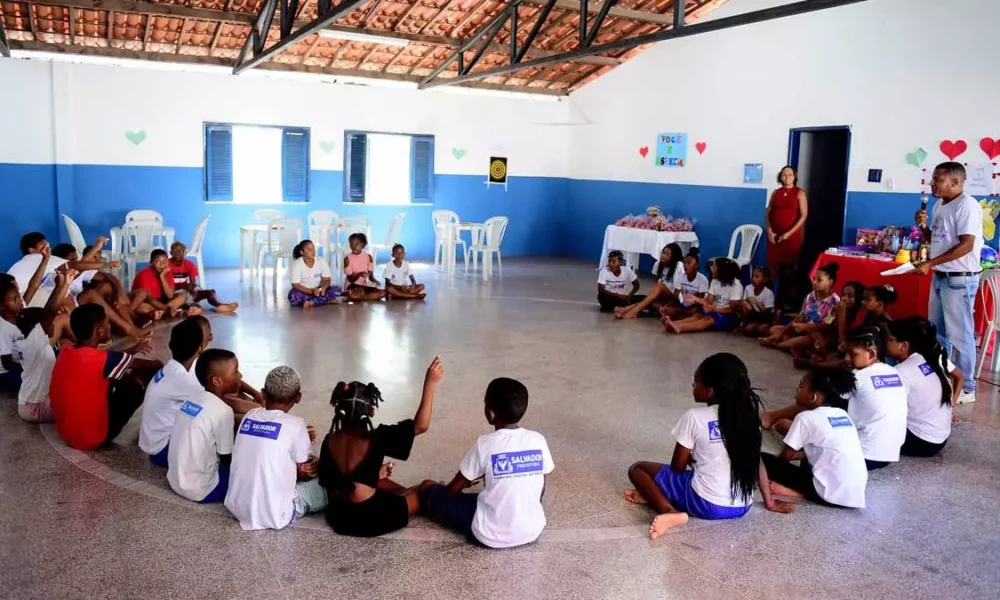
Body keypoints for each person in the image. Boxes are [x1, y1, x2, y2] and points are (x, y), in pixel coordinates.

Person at [625, 353, 794, 539]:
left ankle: (668, 510)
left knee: (638, 468)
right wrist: (769, 501)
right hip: (742, 506)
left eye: (696, 381)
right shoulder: (750, 419)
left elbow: (677, 467)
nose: (693, 386)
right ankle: (653, 495)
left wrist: (691, 459)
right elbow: (757, 462)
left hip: (706, 504)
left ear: (710, 391)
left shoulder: (694, 417)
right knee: (698, 476)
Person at [420, 376, 554, 549]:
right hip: (533, 529)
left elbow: (452, 490)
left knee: (428, 488)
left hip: (488, 535)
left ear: (490, 414)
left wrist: (465, 483)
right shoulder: (538, 440)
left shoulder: (485, 444)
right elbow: (542, 485)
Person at [318, 358, 444, 538]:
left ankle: (403, 495)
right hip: (369, 518)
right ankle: (413, 498)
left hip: (339, 515)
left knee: (381, 479)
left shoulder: (330, 439)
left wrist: (375, 473)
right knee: (423, 489)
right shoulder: (376, 437)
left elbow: (331, 479)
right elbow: (421, 425)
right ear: (371, 411)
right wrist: (430, 383)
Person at [225, 366, 327, 530]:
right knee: (325, 486)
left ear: (263, 394)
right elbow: (305, 469)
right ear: (298, 397)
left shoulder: (250, 416)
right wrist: (316, 463)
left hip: (237, 507)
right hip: (275, 514)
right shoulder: (296, 424)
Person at [49, 304, 163, 451]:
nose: (110, 327)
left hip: (67, 432)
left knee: (114, 373)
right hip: (91, 438)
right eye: (108, 323)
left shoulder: (67, 350)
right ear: (100, 331)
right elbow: (155, 364)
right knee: (136, 382)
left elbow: (107, 358)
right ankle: (156, 426)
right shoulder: (101, 360)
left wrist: (132, 350)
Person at [914, 162, 982, 404]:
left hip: (959, 281)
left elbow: (966, 245)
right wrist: (923, 228)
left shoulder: (967, 206)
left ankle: (967, 388)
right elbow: (940, 240)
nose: (932, 183)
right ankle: (943, 377)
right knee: (937, 332)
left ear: (955, 182)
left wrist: (930, 263)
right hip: (941, 276)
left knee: (961, 335)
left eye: (938, 179)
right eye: (933, 178)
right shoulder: (940, 204)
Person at [761, 369, 868, 509]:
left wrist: (776, 470)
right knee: (808, 458)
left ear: (813, 397)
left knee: (762, 460)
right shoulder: (842, 414)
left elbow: (786, 457)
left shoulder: (805, 418)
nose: (797, 389)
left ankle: (798, 492)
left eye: (801, 386)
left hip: (827, 495)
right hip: (854, 494)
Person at [9, 232, 145, 337]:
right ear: (32, 251)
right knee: (65, 298)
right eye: (44, 247)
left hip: (26, 304)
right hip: (25, 306)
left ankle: (127, 326)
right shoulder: (36, 258)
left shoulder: (39, 267)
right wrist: (107, 264)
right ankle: (95, 336)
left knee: (93, 293)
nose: (47, 250)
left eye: (48, 246)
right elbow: (74, 265)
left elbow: (77, 267)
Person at [167, 348, 240, 503]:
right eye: (236, 371)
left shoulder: (191, 399)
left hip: (175, 481)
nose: (240, 376)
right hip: (203, 491)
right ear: (217, 381)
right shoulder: (223, 411)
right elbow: (226, 457)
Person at [886, 317, 963, 458]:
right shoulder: (928, 359)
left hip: (921, 442)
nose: (885, 343)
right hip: (939, 440)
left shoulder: (902, 370)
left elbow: (891, 412)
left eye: (890, 340)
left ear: (903, 345)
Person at [138, 318, 206, 467]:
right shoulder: (181, 379)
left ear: (170, 345)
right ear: (200, 348)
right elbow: (219, 402)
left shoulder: (171, 369)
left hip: (155, 445)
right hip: (162, 451)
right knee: (217, 419)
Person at [13, 271, 77, 422]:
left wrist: (59, 285)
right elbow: (50, 310)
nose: (53, 325)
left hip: (26, 403)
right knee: (81, 396)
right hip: (36, 408)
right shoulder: (34, 341)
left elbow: (48, 312)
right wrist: (65, 284)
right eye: (50, 322)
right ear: (38, 327)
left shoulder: (26, 340)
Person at [843, 327, 908, 470]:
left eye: (852, 354)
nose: (847, 359)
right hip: (889, 454)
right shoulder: (894, 372)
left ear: (871, 353)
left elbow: (825, 402)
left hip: (863, 455)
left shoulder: (857, 377)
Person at [188, 315, 264, 421]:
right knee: (249, 407)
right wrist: (256, 409)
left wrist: (256, 394)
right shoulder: (188, 369)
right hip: (207, 406)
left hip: (212, 399)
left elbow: (233, 379)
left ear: (210, 337)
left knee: (241, 396)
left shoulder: (210, 358)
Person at [760, 262, 840, 353]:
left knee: (806, 340)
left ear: (830, 282)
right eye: (814, 279)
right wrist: (782, 331)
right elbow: (801, 316)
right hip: (803, 330)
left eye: (819, 280)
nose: (814, 282)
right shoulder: (810, 296)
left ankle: (776, 345)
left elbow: (828, 326)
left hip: (819, 335)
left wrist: (807, 327)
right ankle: (792, 345)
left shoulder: (835, 301)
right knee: (774, 329)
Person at [664, 257, 743, 334]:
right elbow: (708, 300)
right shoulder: (715, 281)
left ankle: (680, 328)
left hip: (729, 316)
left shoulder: (736, 285)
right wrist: (694, 298)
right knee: (697, 315)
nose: (711, 269)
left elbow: (732, 310)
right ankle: (674, 323)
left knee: (708, 319)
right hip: (714, 311)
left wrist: (714, 309)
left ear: (721, 270)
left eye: (714, 267)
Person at [766, 166, 808, 301]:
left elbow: (803, 215)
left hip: (791, 237)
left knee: (790, 268)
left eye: (790, 174)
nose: (787, 177)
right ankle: (770, 299)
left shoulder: (800, 193)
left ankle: (789, 300)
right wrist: (769, 231)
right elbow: (769, 212)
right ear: (781, 176)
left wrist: (789, 233)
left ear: (794, 177)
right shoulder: (776, 193)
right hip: (775, 236)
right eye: (784, 174)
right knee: (772, 267)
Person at [615, 243, 683, 319]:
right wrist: (655, 301)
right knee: (645, 299)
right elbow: (655, 287)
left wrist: (667, 305)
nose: (663, 255)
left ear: (674, 256)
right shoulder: (657, 264)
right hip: (661, 299)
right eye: (663, 252)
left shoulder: (679, 265)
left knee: (659, 286)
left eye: (668, 254)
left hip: (673, 299)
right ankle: (626, 309)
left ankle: (634, 311)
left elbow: (677, 291)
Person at [167, 241, 238, 313]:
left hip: (185, 291)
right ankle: (187, 308)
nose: (178, 253)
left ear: (185, 253)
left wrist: (193, 290)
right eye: (175, 250)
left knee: (210, 292)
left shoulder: (190, 265)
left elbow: (192, 283)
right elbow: (167, 286)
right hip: (172, 292)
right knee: (180, 298)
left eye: (181, 250)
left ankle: (219, 305)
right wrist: (184, 286)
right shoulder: (167, 264)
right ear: (170, 253)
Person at [132, 249, 200, 318]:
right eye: (157, 261)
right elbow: (149, 299)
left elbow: (170, 295)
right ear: (151, 262)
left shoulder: (167, 272)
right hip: (149, 302)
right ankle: (168, 311)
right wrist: (167, 308)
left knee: (182, 296)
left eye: (165, 261)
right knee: (141, 307)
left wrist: (162, 277)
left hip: (162, 301)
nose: (162, 264)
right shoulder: (143, 275)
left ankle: (161, 313)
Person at [288, 240, 342, 308]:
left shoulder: (321, 261)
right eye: (309, 249)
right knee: (292, 296)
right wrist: (311, 291)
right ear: (302, 252)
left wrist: (323, 288)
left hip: (319, 292)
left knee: (337, 290)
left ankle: (311, 302)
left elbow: (327, 279)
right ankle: (323, 301)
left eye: (313, 248)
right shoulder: (297, 265)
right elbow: (295, 285)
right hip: (304, 292)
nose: (313, 251)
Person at [659, 248, 709, 320]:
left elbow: (698, 303)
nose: (685, 265)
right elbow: (675, 297)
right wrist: (667, 306)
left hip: (696, 308)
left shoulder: (702, 280)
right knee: (666, 310)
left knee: (693, 314)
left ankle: (679, 317)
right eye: (684, 263)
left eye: (689, 263)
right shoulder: (681, 277)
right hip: (684, 306)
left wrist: (679, 311)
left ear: (696, 265)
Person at [0, 277, 26, 393]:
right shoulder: (2, 328)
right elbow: (7, 363)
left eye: (19, 297)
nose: (20, 302)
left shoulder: (20, 318)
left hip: (20, 361)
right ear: (1, 306)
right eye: (14, 300)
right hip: (6, 374)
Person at [343, 233, 385, 302]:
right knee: (359, 291)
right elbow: (350, 279)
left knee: (383, 292)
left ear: (362, 244)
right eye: (351, 244)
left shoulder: (368, 257)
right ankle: (359, 296)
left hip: (363, 286)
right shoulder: (347, 259)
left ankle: (357, 297)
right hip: (351, 285)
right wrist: (359, 274)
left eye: (356, 244)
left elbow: (370, 276)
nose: (353, 247)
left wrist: (375, 281)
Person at [738, 266, 776, 337]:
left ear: (764, 279)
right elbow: (744, 302)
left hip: (764, 317)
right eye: (753, 276)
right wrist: (747, 301)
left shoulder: (768, 293)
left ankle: (763, 328)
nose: (753, 279)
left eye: (757, 277)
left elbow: (766, 312)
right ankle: (744, 322)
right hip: (752, 315)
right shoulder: (748, 288)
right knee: (742, 303)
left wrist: (756, 302)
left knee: (757, 329)